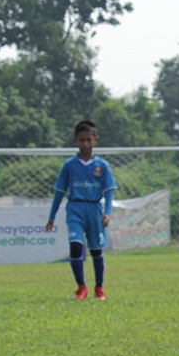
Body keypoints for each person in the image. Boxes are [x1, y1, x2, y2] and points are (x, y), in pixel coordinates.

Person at [45, 119, 117, 301]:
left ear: (95, 141)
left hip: (94, 209)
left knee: (95, 251)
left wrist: (107, 212)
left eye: (88, 140)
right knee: (76, 246)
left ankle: (99, 288)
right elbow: (59, 191)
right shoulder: (69, 165)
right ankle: (81, 288)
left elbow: (109, 191)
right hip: (75, 208)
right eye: (81, 140)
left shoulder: (102, 166)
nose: (85, 143)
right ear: (75, 141)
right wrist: (52, 215)